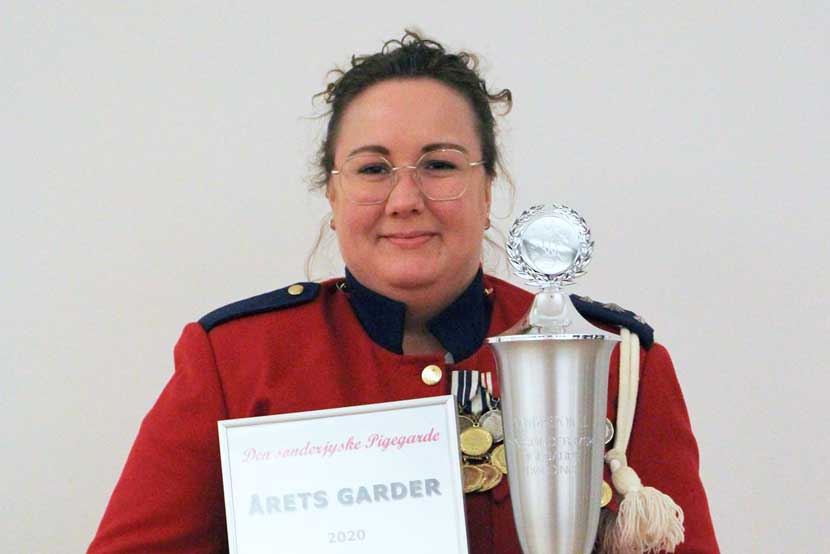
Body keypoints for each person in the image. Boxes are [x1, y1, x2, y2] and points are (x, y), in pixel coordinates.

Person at [88, 31, 719, 554]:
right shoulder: (234, 360)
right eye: (373, 169)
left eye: (440, 165)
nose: (405, 199)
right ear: (333, 194)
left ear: (487, 189)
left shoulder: (614, 363)